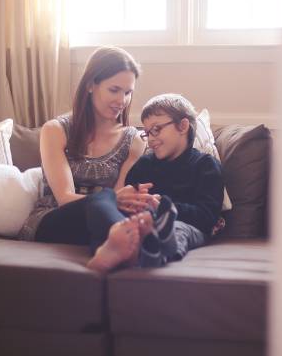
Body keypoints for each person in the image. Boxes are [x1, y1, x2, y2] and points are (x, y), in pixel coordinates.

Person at [17, 46, 161, 272]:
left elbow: (122, 199)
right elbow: (64, 197)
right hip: (53, 219)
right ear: (90, 85)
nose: (122, 100)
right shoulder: (55, 130)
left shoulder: (133, 140)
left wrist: (137, 200)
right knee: (103, 199)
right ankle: (128, 242)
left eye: (128, 92)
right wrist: (113, 198)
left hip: (100, 222)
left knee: (133, 209)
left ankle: (113, 250)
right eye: (114, 90)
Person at [125, 93, 225, 266]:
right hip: (146, 221)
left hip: (188, 226)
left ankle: (161, 252)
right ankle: (140, 245)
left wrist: (166, 208)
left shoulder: (205, 165)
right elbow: (128, 198)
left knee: (177, 230)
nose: (150, 139)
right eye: (147, 133)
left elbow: (207, 216)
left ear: (183, 125)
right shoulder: (144, 164)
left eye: (156, 129)